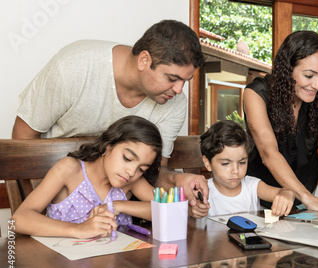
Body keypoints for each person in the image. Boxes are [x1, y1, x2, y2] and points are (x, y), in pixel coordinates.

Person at [11, 19, 209, 207]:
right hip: (57, 197)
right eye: (172, 78)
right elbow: (23, 139)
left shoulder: (175, 104)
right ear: (144, 60)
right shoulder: (74, 67)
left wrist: (176, 178)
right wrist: (43, 206)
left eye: (185, 81)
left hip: (117, 212)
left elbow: (154, 172)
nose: (178, 90)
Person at [243, 30, 318, 214]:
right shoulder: (256, 94)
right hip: (264, 197)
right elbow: (269, 153)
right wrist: (309, 199)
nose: (317, 85)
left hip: (307, 193)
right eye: (309, 76)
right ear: (287, 71)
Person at [12, 116, 162, 239]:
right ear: (108, 146)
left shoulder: (130, 180)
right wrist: (79, 229)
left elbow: (168, 210)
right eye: (127, 158)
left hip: (113, 266)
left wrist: (117, 206)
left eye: (142, 169)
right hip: (62, 267)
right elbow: (19, 219)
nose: (131, 172)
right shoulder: (69, 169)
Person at [190, 120, 295, 219]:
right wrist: (191, 211)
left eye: (242, 162)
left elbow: (286, 191)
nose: (235, 170)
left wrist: (286, 195)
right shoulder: (202, 190)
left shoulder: (252, 186)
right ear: (208, 163)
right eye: (226, 163)